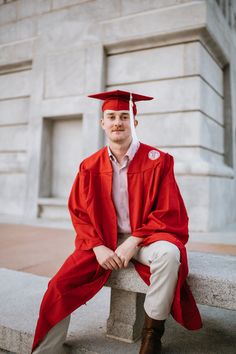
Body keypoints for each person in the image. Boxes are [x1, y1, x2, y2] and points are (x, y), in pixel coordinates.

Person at [31, 90, 202, 354]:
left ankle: (152, 334)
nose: (117, 122)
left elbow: (168, 211)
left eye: (124, 116)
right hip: (103, 240)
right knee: (59, 285)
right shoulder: (89, 166)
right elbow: (80, 212)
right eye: (111, 117)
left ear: (135, 122)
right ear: (103, 123)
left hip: (147, 237)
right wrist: (98, 246)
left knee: (169, 255)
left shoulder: (158, 161)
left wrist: (133, 242)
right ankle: (47, 350)